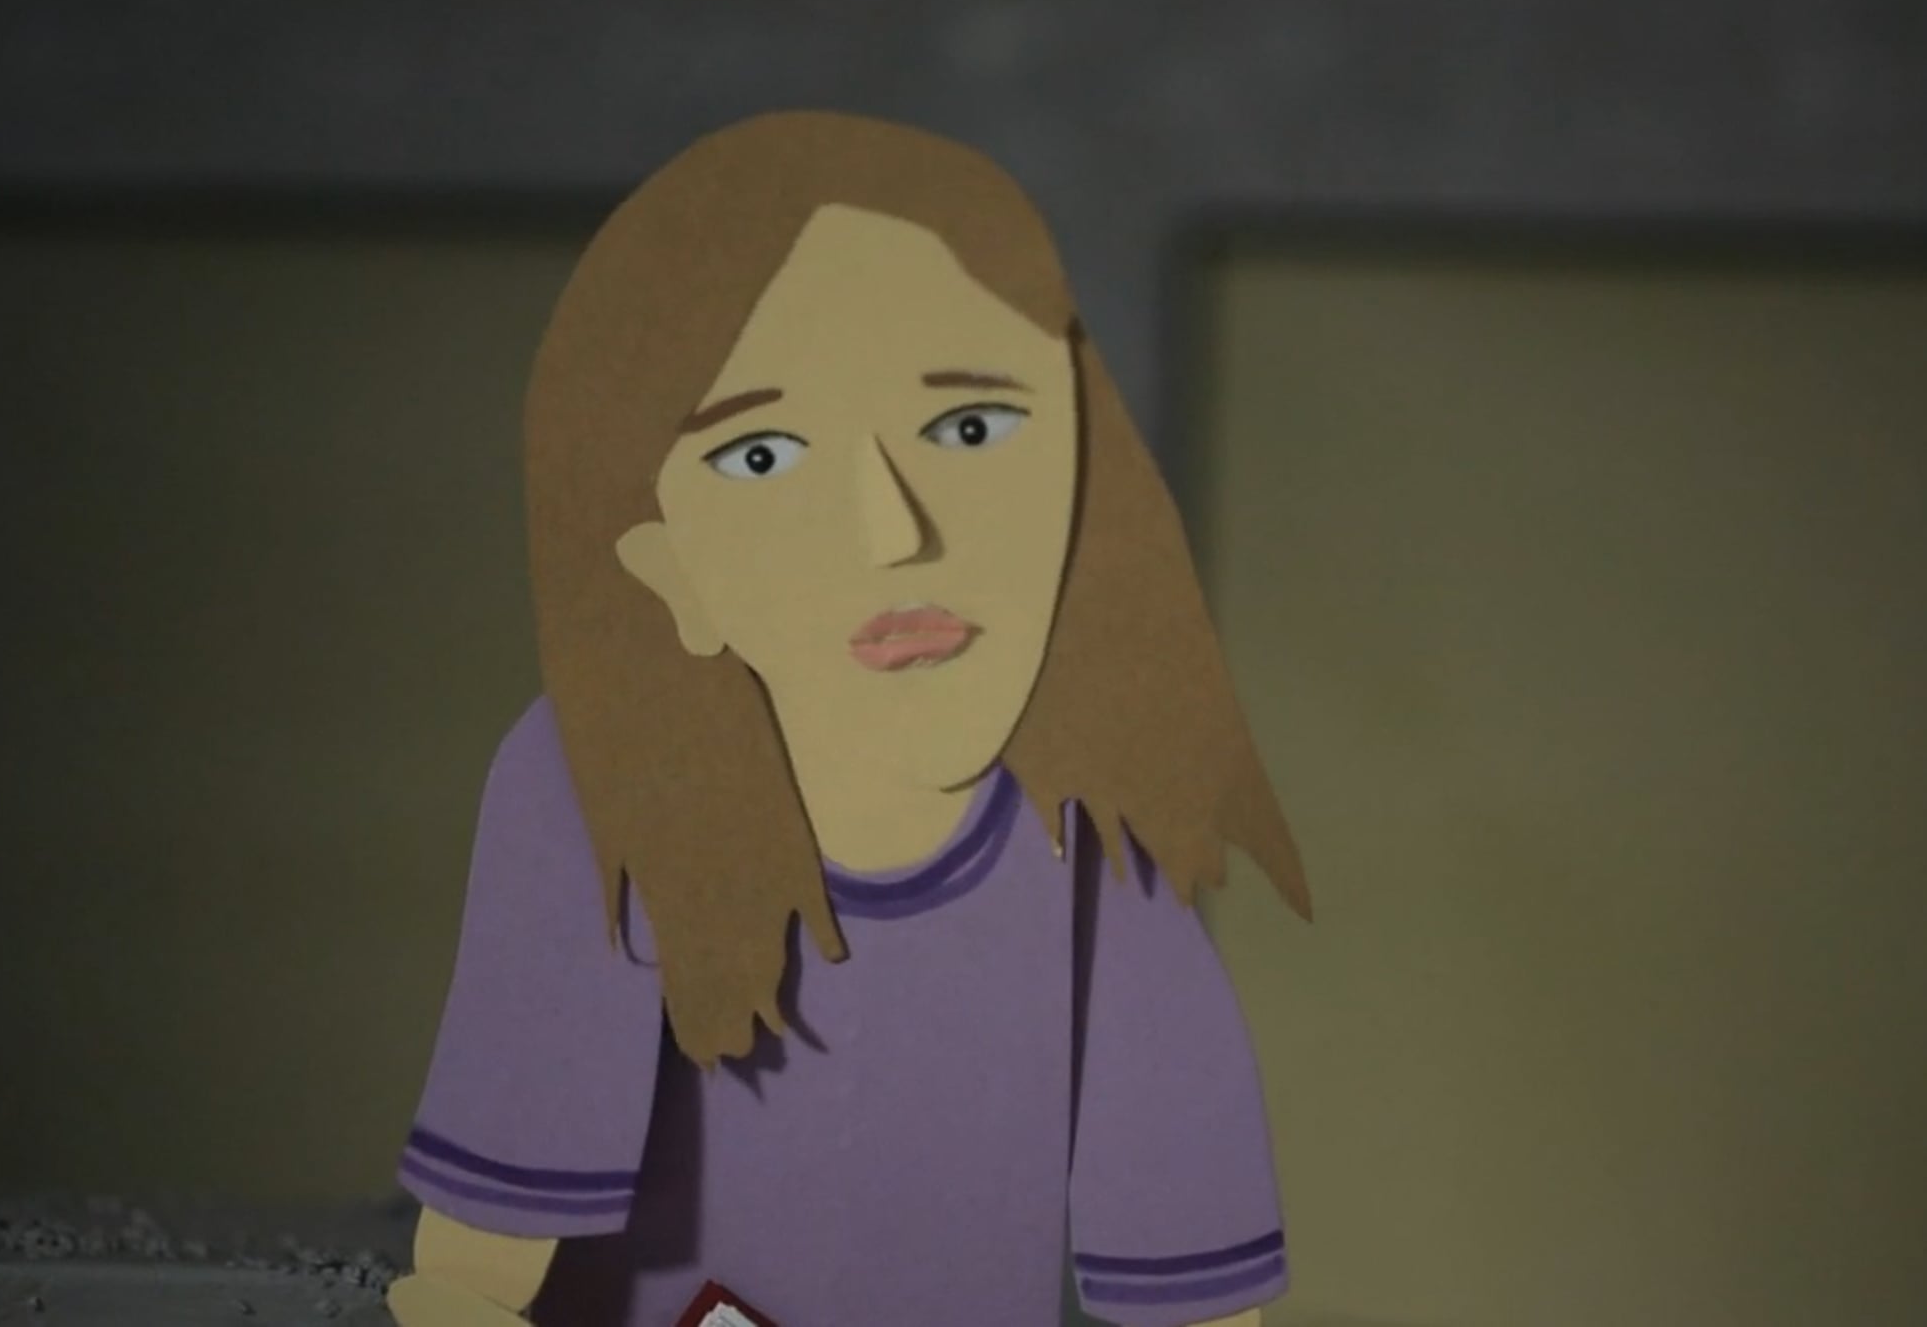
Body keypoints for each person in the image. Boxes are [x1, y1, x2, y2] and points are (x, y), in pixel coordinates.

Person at [382, 110, 1312, 1327]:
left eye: (968, 428)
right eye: (763, 456)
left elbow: (1198, 1295)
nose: (893, 531)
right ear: (662, 561)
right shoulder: (590, 781)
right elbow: (466, 1280)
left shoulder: (1093, 840)